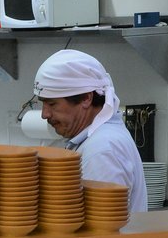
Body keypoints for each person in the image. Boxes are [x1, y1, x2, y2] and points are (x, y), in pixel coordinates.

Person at [35, 49, 147, 212]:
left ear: (86, 98)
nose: (45, 114)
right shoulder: (94, 140)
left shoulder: (102, 151)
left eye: (52, 104)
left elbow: (100, 230)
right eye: (43, 104)